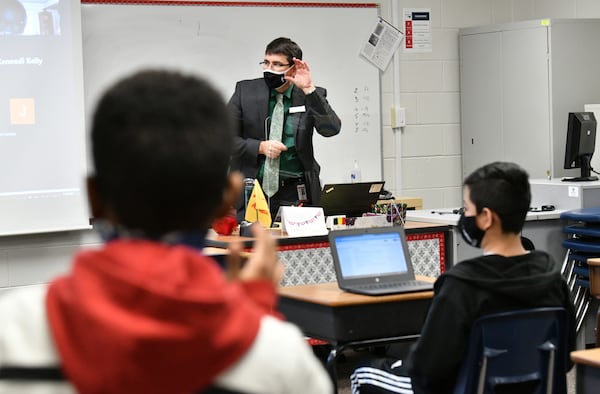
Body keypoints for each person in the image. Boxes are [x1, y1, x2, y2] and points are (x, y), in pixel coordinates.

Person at [0, 70, 332, 394]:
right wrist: (250, 313)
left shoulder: (12, 333)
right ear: (226, 201)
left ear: (93, 196)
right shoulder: (279, 357)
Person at [350, 161, 576, 393]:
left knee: (364, 372)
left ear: (486, 217)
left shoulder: (459, 286)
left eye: (467, 209)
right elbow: (565, 360)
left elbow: (428, 374)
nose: (464, 216)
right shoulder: (553, 280)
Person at [228, 37, 341, 221]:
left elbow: (331, 129)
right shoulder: (246, 91)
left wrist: (309, 89)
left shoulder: (310, 95)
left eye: (277, 64)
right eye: (266, 63)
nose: (269, 69)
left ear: (293, 68)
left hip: (295, 193)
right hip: (253, 191)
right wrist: (260, 147)